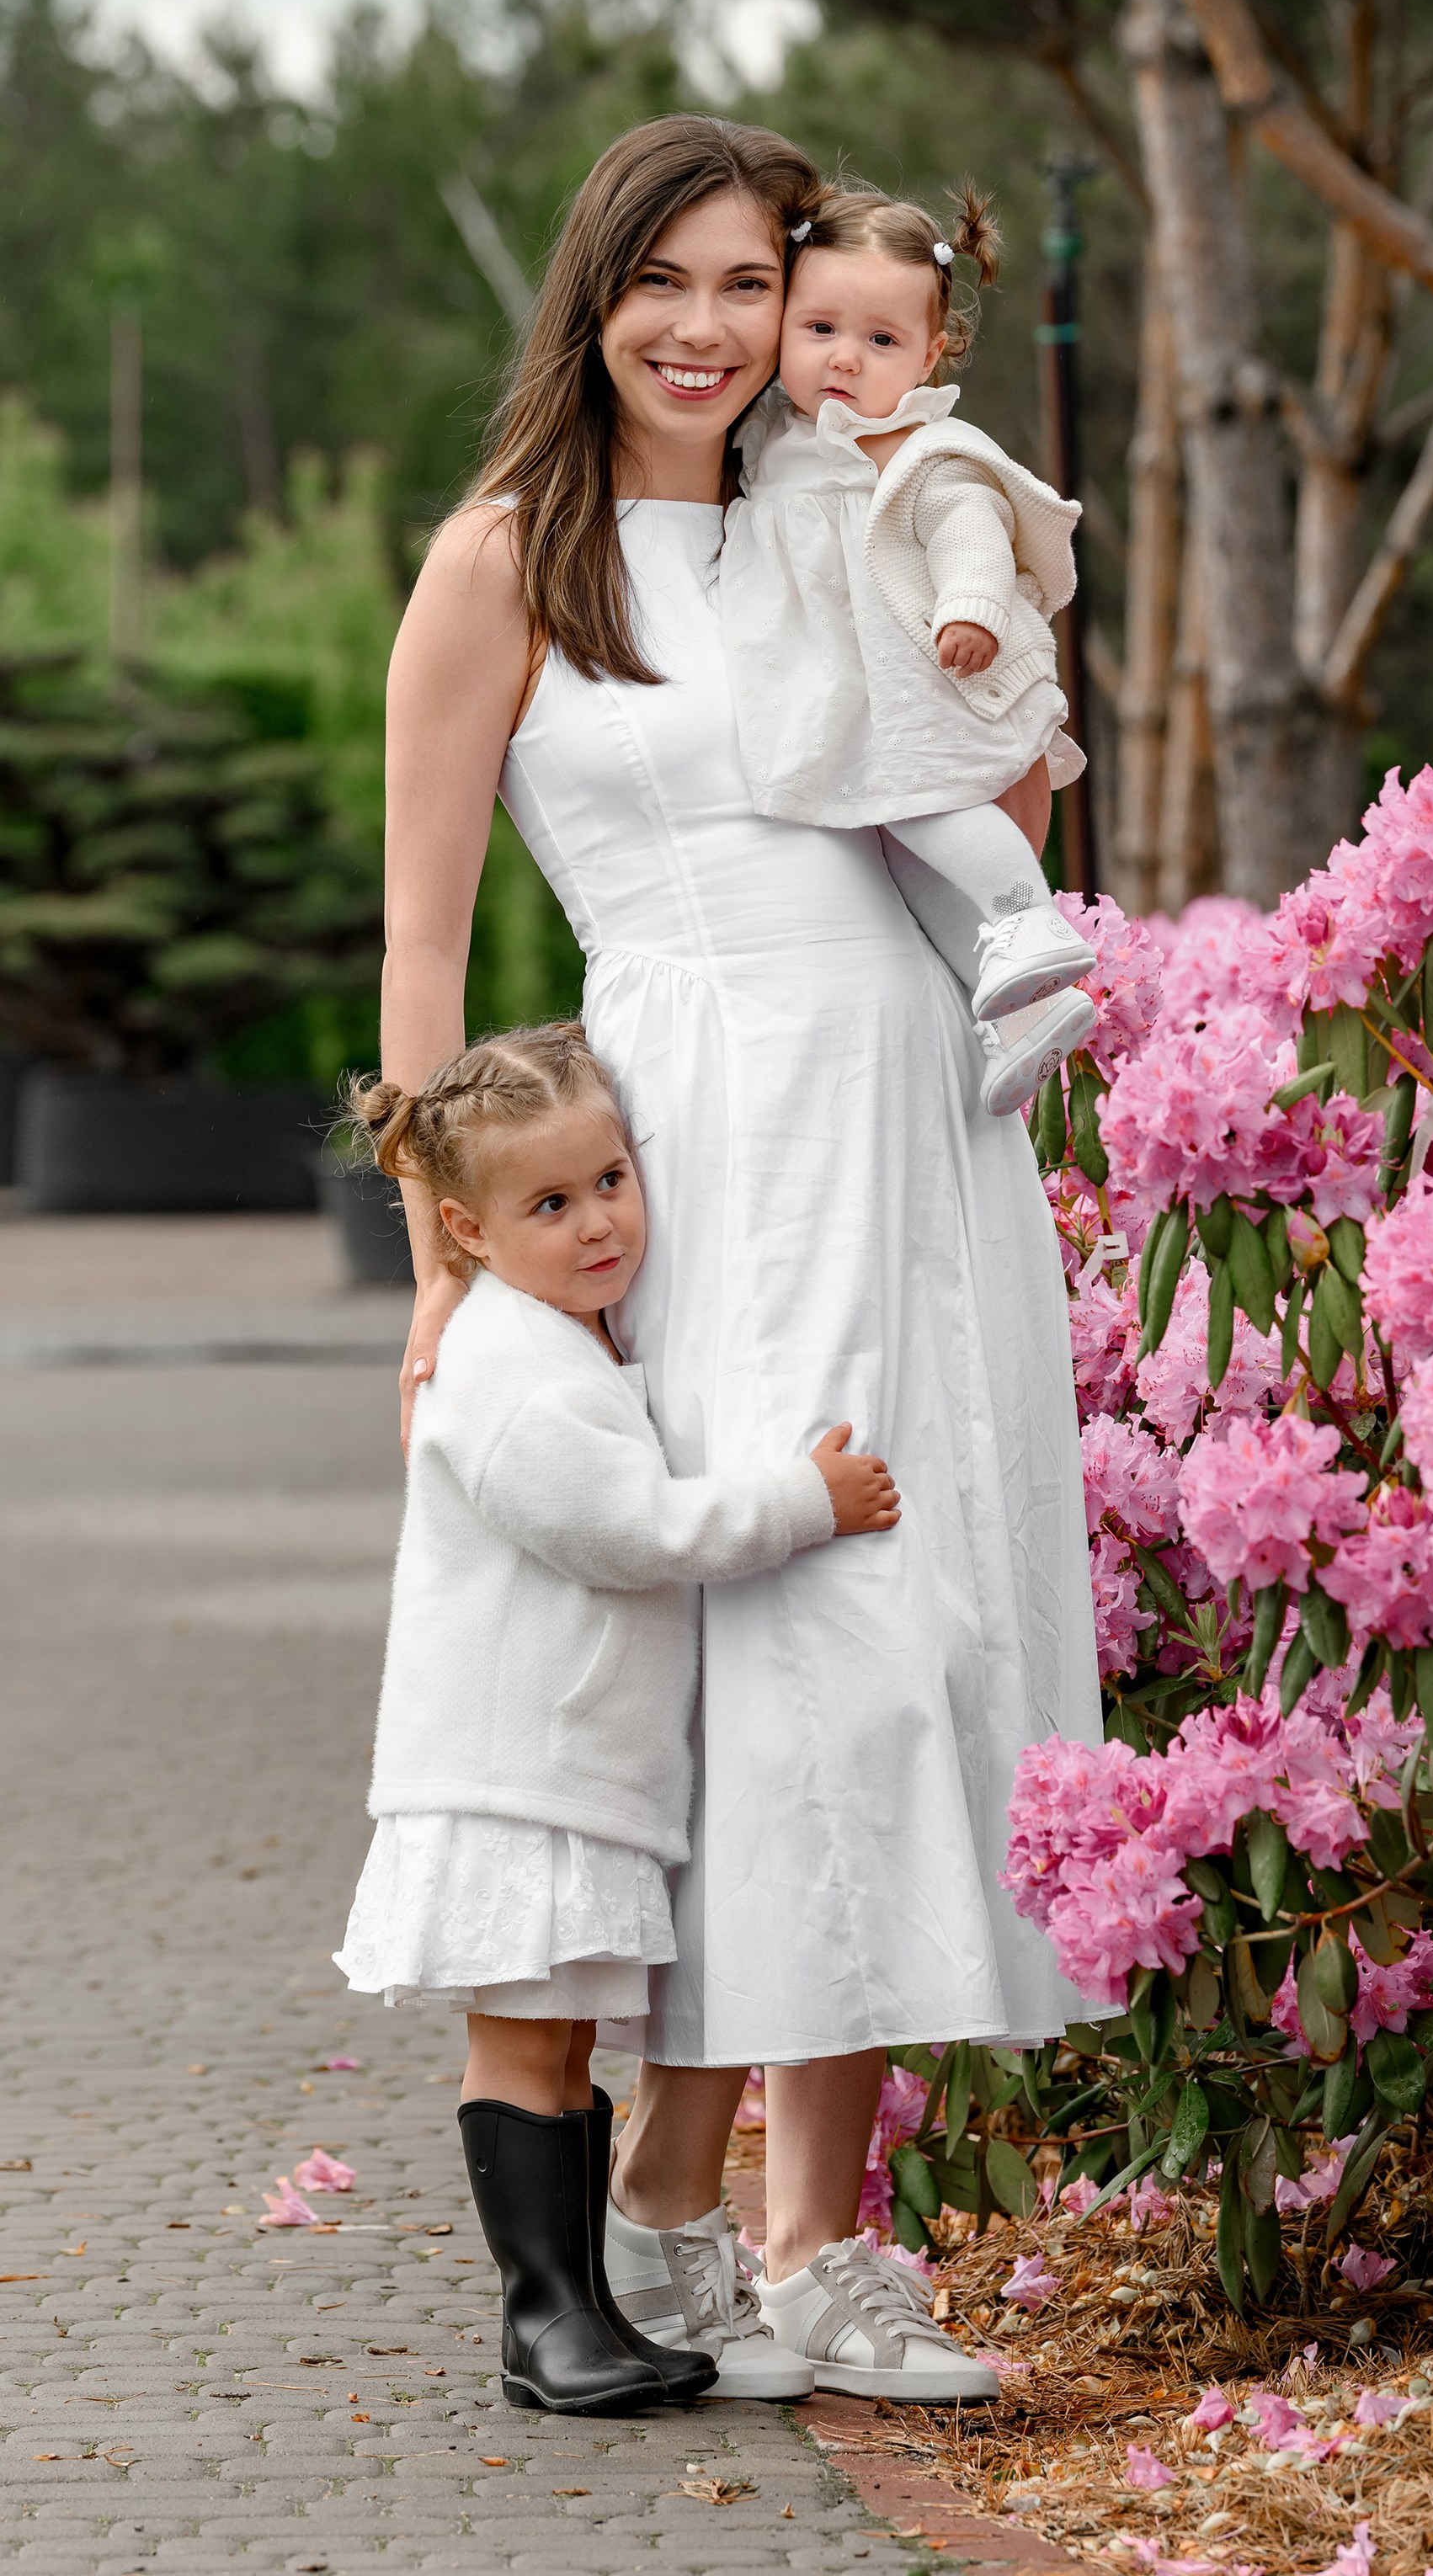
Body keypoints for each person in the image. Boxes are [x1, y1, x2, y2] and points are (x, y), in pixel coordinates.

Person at [381, 114, 1105, 2408]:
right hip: (697, 1127)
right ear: (592, 295)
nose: (704, 331)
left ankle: (774, 2228)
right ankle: (721, 2216)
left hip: (911, 1103)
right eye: (661, 282)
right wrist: (442, 1260)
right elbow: (421, 945)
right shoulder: (506, 558)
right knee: (786, 1648)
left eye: (746, 283)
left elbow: (980, 803)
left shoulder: (844, 506)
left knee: (919, 1626)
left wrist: (1003, 709)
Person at [334, 1020, 899, 2414]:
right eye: (550, 1203)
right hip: (514, 1778)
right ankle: (541, 2320)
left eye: (610, 1181)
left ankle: (581, 2311)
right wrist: (803, 1501)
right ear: (465, 1231)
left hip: (573, 1772)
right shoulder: (508, 1369)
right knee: (526, 2042)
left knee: (567, 2042)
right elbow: (631, 1531)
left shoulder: (564, 1345)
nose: (597, 1222)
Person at [720, 182, 1097, 1117]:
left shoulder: (921, 449)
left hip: (917, 684)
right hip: (842, 692)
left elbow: (970, 529)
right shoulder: (770, 436)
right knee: (900, 852)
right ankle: (1017, 1009)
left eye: (881, 340)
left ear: (930, 355)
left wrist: (971, 608)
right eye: (819, 329)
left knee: (933, 806)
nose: (844, 357)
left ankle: (1025, 915)